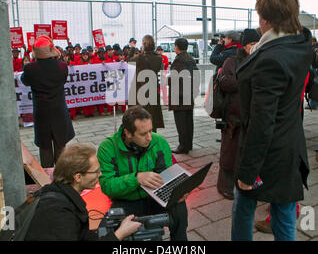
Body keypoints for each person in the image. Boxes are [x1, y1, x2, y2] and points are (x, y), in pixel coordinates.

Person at [231, 0, 313, 241]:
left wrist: (247, 172)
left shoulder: (271, 59)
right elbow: (284, 15)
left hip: (267, 153)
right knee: (285, 210)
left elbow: (262, 121)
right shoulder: (300, 43)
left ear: (265, 19)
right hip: (291, 147)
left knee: (243, 207)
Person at [97, 105, 188, 241]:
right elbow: (107, 186)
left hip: (155, 198)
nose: (149, 137)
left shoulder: (159, 142)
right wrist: (137, 178)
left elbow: (168, 174)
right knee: (103, 229)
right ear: (127, 133)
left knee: (179, 206)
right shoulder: (107, 148)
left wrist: (177, 190)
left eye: (150, 131)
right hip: (126, 201)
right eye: (143, 134)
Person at [25, 143, 141, 241]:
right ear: (78, 177)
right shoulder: (58, 211)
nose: (100, 174)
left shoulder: (60, 194)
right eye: (95, 171)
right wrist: (119, 234)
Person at [216, 29, 260, 200]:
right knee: (229, 152)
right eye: (251, 44)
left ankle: (245, 181)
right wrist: (247, 81)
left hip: (251, 115)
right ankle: (224, 185)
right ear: (244, 45)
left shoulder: (258, 60)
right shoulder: (231, 60)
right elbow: (225, 82)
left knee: (246, 152)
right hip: (233, 116)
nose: (254, 47)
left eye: (256, 44)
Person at [21, 35, 75, 168]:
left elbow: (25, 81)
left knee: (44, 147)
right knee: (60, 145)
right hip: (58, 111)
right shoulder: (62, 66)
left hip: (42, 112)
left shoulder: (30, 68)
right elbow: (62, 80)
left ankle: (46, 176)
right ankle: (62, 175)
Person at [127, 35, 164, 132]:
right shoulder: (159, 58)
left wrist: (132, 48)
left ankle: (142, 134)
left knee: (141, 115)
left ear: (144, 45)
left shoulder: (139, 58)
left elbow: (129, 61)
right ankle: (153, 136)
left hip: (141, 91)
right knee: (153, 115)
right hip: (153, 90)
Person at [168, 38, 199, 154]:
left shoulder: (178, 60)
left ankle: (183, 146)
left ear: (176, 47)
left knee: (181, 123)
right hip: (188, 93)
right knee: (188, 121)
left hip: (179, 96)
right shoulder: (190, 59)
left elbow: (175, 78)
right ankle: (188, 144)